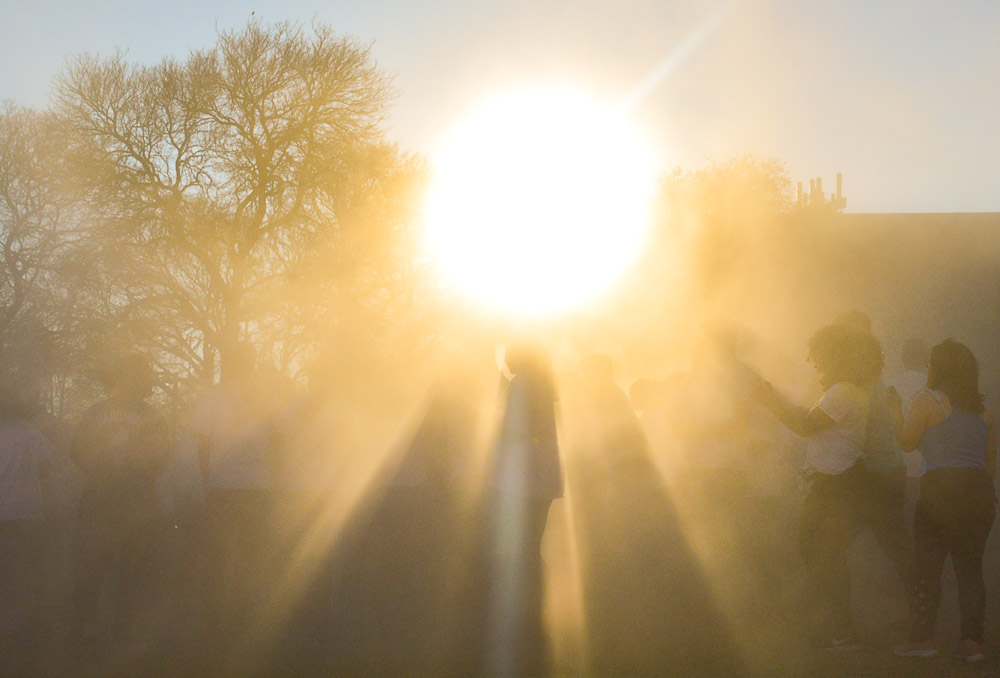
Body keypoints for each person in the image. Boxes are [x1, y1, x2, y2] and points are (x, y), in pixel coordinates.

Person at [753, 323, 883, 649]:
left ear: (836, 355)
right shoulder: (845, 390)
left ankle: (839, 629)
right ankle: (835, 627)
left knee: (822, 555)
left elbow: (805, 424)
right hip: (836, 483)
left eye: (820, 355)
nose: (815, 363)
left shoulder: (843, 392)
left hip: (837, 485)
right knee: (822, 554)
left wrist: (769, 401)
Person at [890, 340, 996, 662]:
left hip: (940, 490)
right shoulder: (984, 411)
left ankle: (923, 640)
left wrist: (894, 408)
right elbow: (990, 459)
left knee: (928, 569)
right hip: (978, 493)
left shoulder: (926, 401)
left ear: (937, 368)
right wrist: (990, 493)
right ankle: (972, 643)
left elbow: (907, 443)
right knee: (970, 571)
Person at [70, 354, 170, 649]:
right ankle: (124, 634)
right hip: (138, 503)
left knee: (91, 569)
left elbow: (75, 451)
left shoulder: (95, 412)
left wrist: (99, 473)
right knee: (133, 571)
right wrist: (142, 477)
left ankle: (86, 633)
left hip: (99, 499)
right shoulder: (152, 415)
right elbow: (164, 456)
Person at [485, 342, 562, 676]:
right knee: (533, 542)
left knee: (523, 544)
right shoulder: (543, 383)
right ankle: (539, 604)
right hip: (541, 475)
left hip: (523, 475)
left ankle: (527, 609)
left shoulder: (523, 383)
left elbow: (514, 427)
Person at [0, 370, 53, 663]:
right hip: (25, 515)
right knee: (23, 576)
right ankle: (21, 634)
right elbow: (47, 470)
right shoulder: (30, 432)